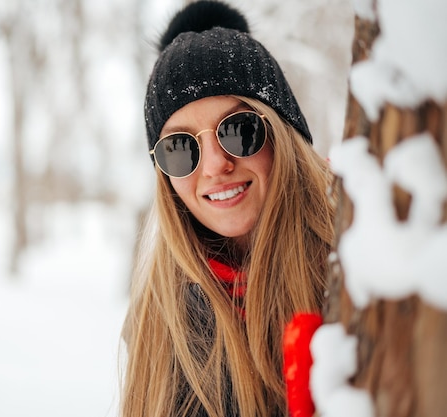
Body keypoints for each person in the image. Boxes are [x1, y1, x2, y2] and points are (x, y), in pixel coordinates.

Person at [120, 1, 336, 417]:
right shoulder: (159, 324)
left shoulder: (361, 256)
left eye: (238, 130)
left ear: (282, 133)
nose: (216, 165)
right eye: (181, 148)